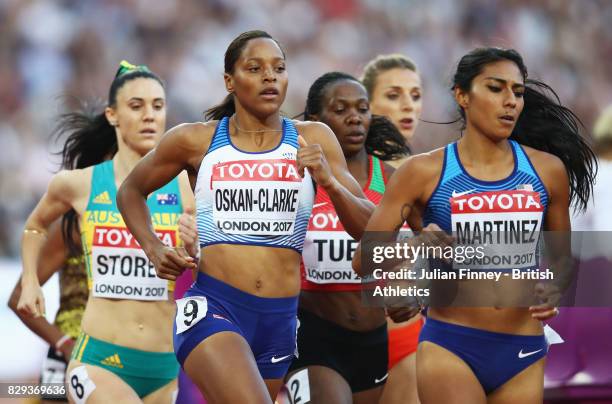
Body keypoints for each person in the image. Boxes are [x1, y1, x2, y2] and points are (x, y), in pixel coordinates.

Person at [116, 30, 374, 404]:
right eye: (255, 68)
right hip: (214, 308)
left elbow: (371, 227)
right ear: (229, 81)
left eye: (279, 68)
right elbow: (131, 191)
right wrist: (153, 248)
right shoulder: (195, 140)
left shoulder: (313, 139)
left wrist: (330, 183)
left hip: (279, 321)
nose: (270, 77)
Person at [353, 47, 596, 403]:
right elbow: (364, 261)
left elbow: (561, 259)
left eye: (517, 91)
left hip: (524, 349)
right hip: (452, 346)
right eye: (496, 88)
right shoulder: (422, 172)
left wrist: (554, 289)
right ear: (462, 95)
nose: (510, 101)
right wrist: (417, 246)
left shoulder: (548, 170)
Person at [17, 61, 194, 403]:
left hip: (164, 366)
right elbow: (36, 225)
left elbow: (211, 261)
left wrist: (196, 244)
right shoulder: (77, 185)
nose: (149, 116)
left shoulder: (188, 185)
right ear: (112, 115)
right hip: (98, 361)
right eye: (136, 106)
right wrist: (28, 281)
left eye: (158, 106)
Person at [284, 72, 409, 404]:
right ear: (316, 120)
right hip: (312, 337)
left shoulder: (393, 180)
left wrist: (414, 291)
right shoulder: (297, 178)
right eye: (340, 109)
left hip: (373, 339)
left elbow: (423, 248)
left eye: (363, 108)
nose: (355, 117)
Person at [361, 53, 424, 404]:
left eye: (415, 96)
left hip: (407, 339)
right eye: (394, 94)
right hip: (334, 339)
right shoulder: (340, 174)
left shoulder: (430, 176)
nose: (407, 106)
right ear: (364, 102)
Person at [8, 219, 87, 403]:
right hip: (68, 355)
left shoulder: (149, 219)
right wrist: (66, 345)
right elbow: (18, 297)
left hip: (124, 355)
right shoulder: (71, 225)